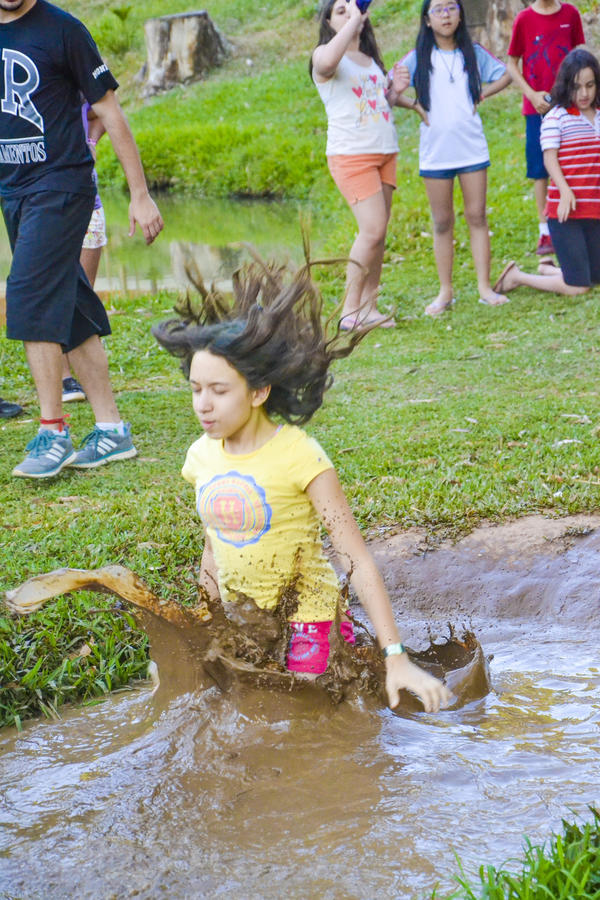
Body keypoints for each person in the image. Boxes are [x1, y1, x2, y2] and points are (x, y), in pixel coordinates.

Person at [151, 263, 451, 712]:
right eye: (196, 389)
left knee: (307, 718)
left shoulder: (300, 456)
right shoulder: (200, 457)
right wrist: (205, 624)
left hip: (311, 619)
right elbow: (213, 549)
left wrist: (396, 657)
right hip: (248, 618)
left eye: (218, 390)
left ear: (258, 392)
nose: (203, 405)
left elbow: (356, 560)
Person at [0, 0, 163, 479]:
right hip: (14, 190)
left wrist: (140, 194)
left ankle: (52, 430)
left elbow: (109, 112)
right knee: (68, 306)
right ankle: (112, 431)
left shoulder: (63, 30)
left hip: (62, 184)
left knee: (29, 293)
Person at [390, 0, 511, 316]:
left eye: (451, 8)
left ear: (460, 14)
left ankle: (485, 287)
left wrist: (483, 95)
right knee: (442, 222)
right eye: (438, 10)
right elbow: (390, 89)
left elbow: (508, 73)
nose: (446, 15)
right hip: (436, 153)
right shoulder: (418, 56)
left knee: (477, 215)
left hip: (471, 148)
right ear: (427, 20)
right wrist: (414, 106)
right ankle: (445, 291)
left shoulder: (473, 54)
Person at [310, 0, 406, 331]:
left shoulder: (368, 60)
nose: (349, 14)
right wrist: (354, 17)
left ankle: (369, 306)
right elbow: (328, 62)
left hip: (384, 152)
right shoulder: (324, 56)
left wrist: (396, 93)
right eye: (340, 10)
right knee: (372, 229)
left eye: (352, 9)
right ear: (327, 20)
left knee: (378, 234)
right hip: (352, 156)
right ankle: (350, 311)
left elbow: (374, 103)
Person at [493, 49, 600, 298]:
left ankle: (549, 270)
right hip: (566, 214)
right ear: (565, 85)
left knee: (595, 278)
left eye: (590, 85)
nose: (584, 94)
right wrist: (564, 190)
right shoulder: (556, 117)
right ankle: (516, 277)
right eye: (577, 86)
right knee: (578, 287)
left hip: (594, 211)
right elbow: (549, 159)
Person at [506, 0, 584, 256]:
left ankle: (579, 220)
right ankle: (545, 231)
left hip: (570, 106)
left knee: (573, 162)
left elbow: (579, 59)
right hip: (537, 109)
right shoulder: (524, 20)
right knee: (540, 169)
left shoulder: (571, 14)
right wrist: (531, 94)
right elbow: (511, 64)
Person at [61, 102, 108, 404]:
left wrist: (90, 142)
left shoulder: (76, 65)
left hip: (87, 198)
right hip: (46, 199)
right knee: (56, 293)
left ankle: (83, 372)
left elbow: (102, 111)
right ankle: (64, 378)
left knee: (81, 295)